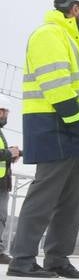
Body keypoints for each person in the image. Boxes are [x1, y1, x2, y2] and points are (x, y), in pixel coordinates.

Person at [7, 0, 79, 279]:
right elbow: (56, 85)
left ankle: (57, 258)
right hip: (56, 125)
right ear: (75, 9)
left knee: (70, 199)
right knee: (45, 195)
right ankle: (22, 259)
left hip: (72, 127)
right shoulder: (50, 35)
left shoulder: (71, 38)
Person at [0, 103, 21, 265]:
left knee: (1, 217)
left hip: (2, 182)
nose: (5, 116)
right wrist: (9, 153)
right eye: (3, 112)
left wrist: (13, 154)